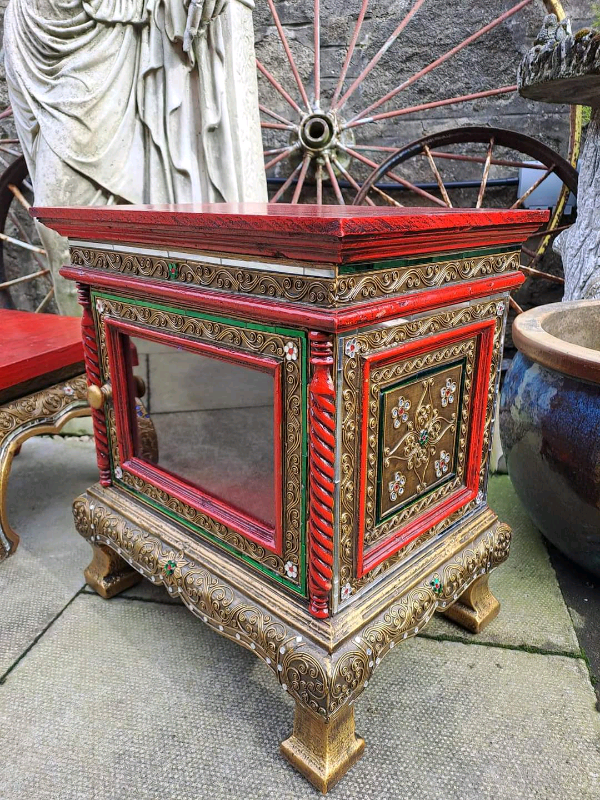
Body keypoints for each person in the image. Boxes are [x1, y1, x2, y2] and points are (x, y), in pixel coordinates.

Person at [4, 0, 267, 314]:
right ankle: (87, 352)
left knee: (76, 213)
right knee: (59, 230)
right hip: (36, 29)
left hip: (117, 31)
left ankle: (132, 345)